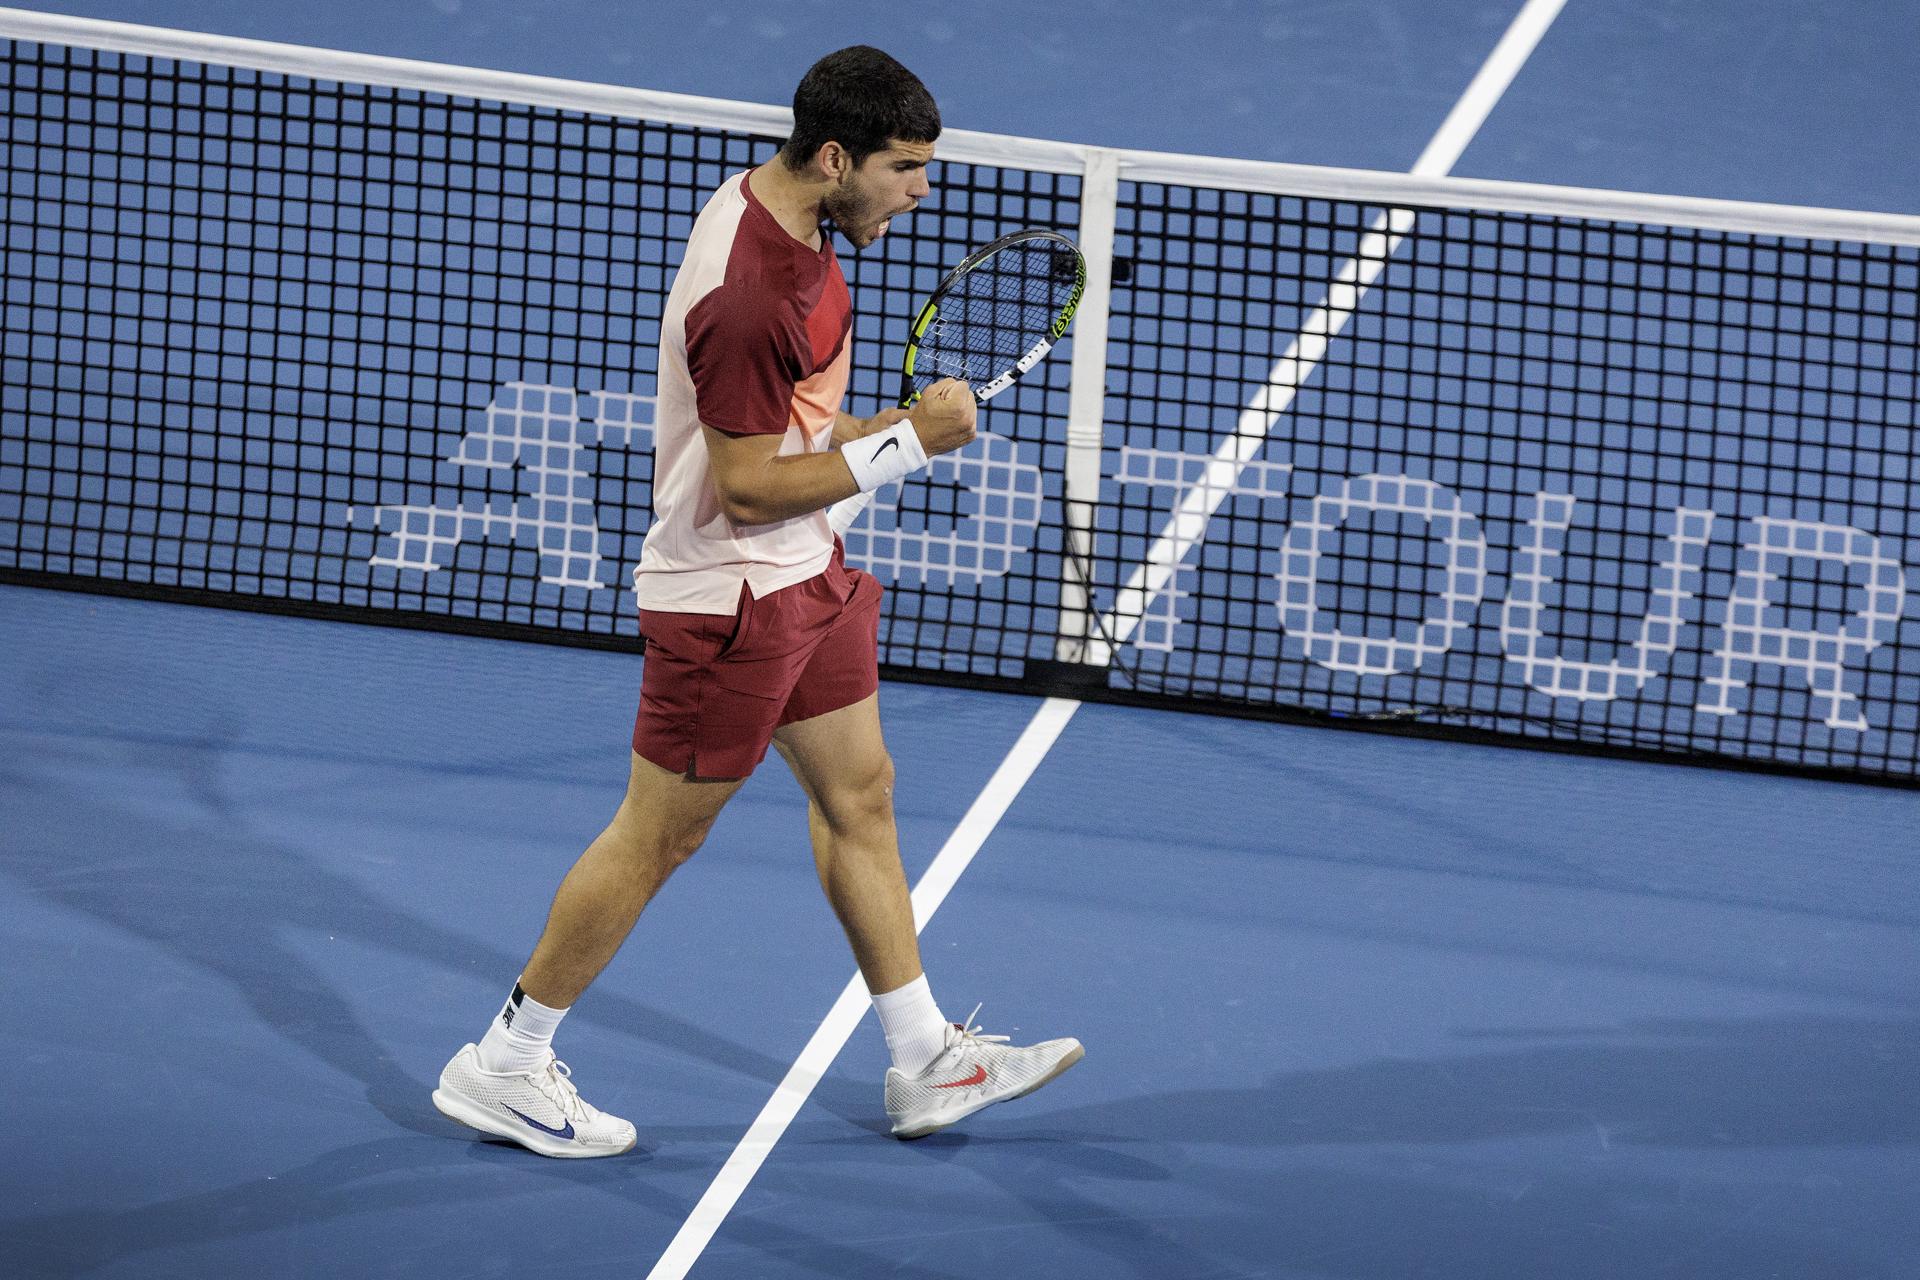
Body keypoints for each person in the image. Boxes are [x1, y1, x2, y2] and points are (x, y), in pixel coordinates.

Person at [431, 45, 1082, 1157]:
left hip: (803, 573)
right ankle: (505, 1062)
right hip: (730, 602)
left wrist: (885, 429)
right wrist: (908, 448)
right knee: (658, 837)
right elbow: (741, 488)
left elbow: (797, 430)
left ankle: (926, 1060)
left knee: (861, 795)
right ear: (834, 157)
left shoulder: (795, 222)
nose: (921, 190)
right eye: (905, 167)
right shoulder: (751, 296)